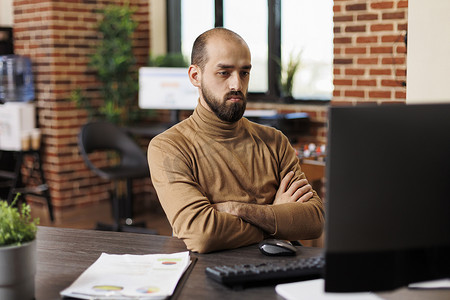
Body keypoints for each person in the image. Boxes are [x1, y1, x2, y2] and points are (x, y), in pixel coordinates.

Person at [147, 28, 324, 253]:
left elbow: (314, 221)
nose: (237, 86)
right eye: (224, 73)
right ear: (195, 76)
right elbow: (202, 234)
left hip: (279, 269)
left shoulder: (274, 141)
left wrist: (236, 209)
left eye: (244, 73)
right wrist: (276, 216)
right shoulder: (169, 147)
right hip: (206, 276)